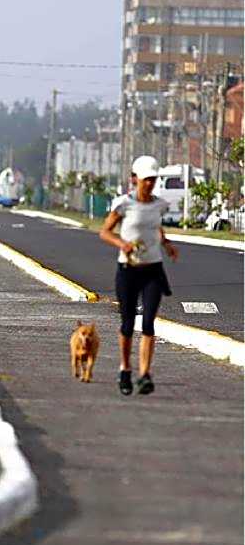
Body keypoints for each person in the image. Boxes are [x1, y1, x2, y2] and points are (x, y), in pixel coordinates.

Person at [99, 155, 178, 396]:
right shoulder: (123, 204)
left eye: (153, 180)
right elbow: (104, 232)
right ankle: (125, 369)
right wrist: (121, 244)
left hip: (153, 269)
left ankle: (144, 374)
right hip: (128, 271)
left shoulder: (159, 205)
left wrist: (166, 244)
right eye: (145, 180)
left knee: (148, 322)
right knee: (127, 323)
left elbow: (154, 227)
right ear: (134, 179)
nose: (149, 184)